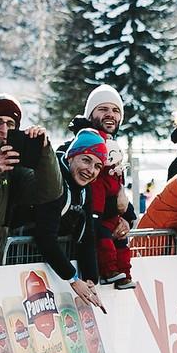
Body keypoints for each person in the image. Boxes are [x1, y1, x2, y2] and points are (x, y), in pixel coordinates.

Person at [0, 95, 62, 253]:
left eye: (10, 124)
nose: (4, 130)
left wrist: (44, 151)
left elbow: (49, 192)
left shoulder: (15, 160)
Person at [27, 130, 114, 310]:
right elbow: (45, 238)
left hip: (46, 261)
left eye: (98, 166)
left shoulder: (84, 189)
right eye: (86, 160)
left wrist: (90, 278)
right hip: (22, 260)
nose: (90, 170)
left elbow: (86, 235)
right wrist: (73, 278)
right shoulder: (55, 181)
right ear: (71, 157)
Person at [70, 83, 135, 289]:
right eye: (103, 109)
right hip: (86, 241)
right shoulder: (79, 146)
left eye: (115, 110)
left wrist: (126, 218)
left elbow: (117, 189)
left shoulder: (114, 150)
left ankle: (122, 273)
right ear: (90, 114)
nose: (110, 115)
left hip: (110, 223)